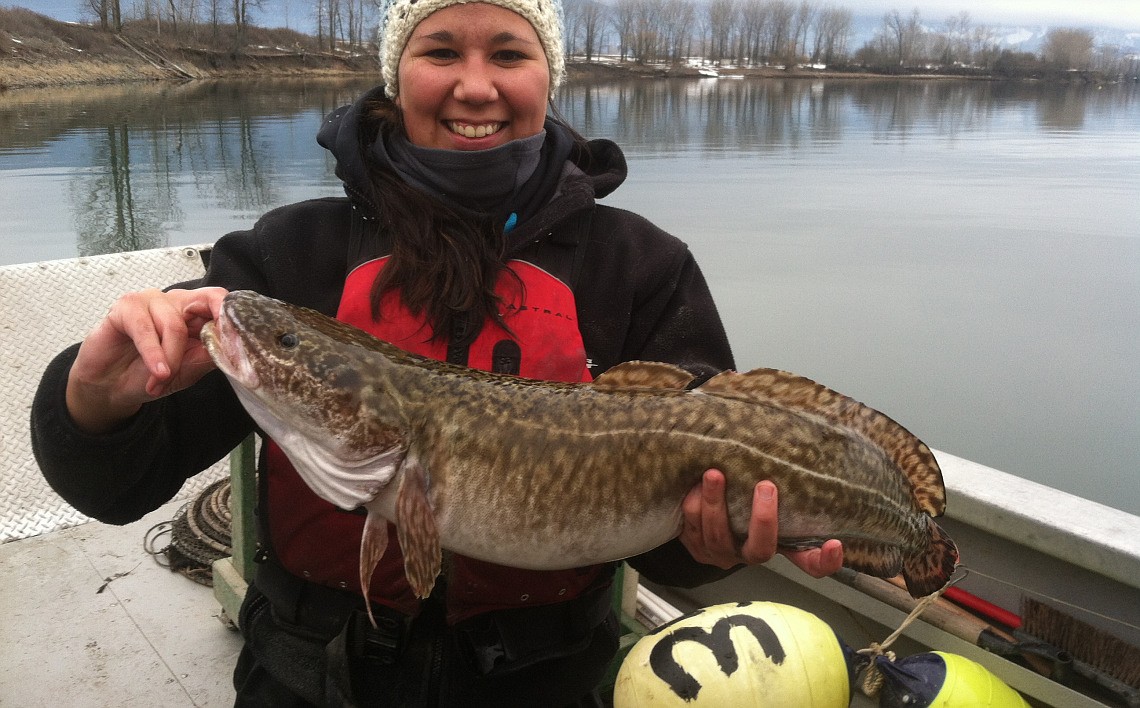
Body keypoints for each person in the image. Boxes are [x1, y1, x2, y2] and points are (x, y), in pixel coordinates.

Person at [31, 0, 843, 705]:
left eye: (510, 53)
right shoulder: (289, 255)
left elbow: (674, 542)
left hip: (548, 686)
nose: (476, 86)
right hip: (306, 682)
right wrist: (95, 401)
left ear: (548, 76)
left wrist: (711, 547)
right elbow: (110, 490)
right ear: (397, 73)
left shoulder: (640, 267)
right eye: (442, 50)